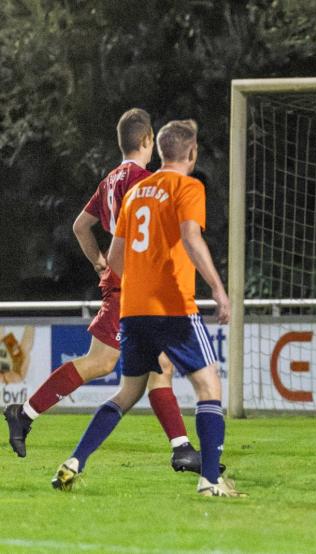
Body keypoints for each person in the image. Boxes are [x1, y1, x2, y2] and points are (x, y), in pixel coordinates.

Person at [4, 109, 205, 473]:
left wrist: (100, 262)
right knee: (111, 363)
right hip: (133, 286)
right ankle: (26, 413)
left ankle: (182, 449)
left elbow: (82, 226)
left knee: (154, 366)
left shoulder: (110, 180)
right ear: (147, 141)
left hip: (122, 282)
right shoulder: (143, 181)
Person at [51, 119, 242, 497]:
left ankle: (74, 462)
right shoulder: (188, 186)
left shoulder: (137, 192)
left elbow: (116, 260)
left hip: (134, 311)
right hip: (172, 307)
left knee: (128, 393)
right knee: (209, 385)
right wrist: (219, 290)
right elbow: (191, 238)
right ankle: (209, 481)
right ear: (191, 153)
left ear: (159, 151)